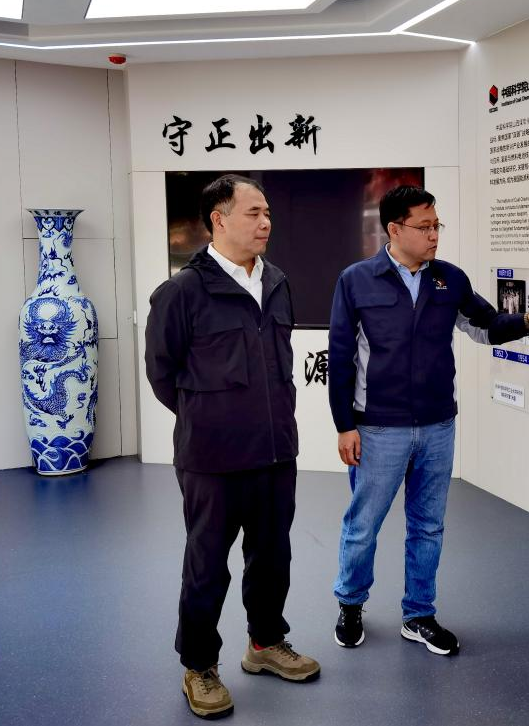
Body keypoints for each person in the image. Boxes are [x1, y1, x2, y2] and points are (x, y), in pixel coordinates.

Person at [328, 185, 529, 656]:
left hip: (438, 426)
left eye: (437, 224)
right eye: (424, 226)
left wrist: (528, 322)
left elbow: (486, 325)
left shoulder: (450, 279)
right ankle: (351, 604)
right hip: (377, 427)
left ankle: (419, 615)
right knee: (363, 524)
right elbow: (340, 356)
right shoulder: (356, 280)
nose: (434, 234)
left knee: (428, 525)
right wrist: (344, 425)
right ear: (394, 229)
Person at [145, 175, 319, 719]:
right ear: (218, 220)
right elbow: (162, 373)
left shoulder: (278, 282)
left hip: (275, 452)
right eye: (253, 213)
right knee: (207, 566)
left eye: (267, 213)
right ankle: (199, 665)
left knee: (272, 558)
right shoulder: (181, 292)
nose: (266, 222)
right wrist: (209, 418)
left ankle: (265, 643)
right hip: (211, 458)